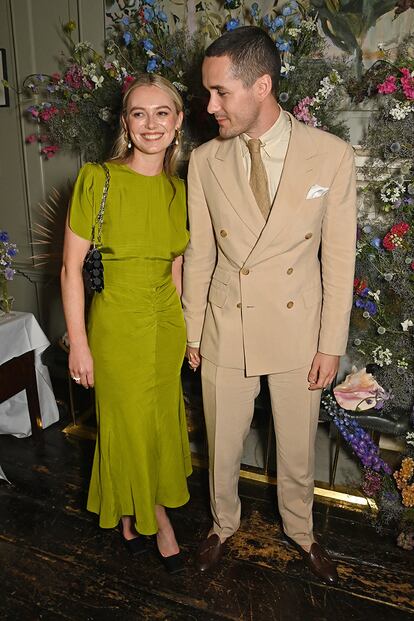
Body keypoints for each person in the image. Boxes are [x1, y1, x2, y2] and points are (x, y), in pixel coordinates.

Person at [182, 26, 356, 584]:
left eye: (219, 93)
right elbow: (201, 254)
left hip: (297, 327)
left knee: (297, 448)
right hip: (225, 324)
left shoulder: (330, 156)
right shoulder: (205, 161)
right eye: (207, 93)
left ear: (261, 86)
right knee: (222, 440)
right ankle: (222, 524)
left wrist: (331, 344)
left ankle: (301, 532)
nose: (209, 107)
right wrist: (192, 332)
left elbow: (339, 260)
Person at [61, 74, 192, 574]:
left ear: (178, 121)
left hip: (164, 324)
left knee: (157, 422)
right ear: (125, 122)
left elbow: (176, 264)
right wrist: (79, 343)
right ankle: (156, 517)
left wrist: (183, 328)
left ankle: (134, 516)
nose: (151, 124)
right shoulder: (99, 178)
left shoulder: (179, 190)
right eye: (139, 113)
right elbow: (71, 267)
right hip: (115, 318)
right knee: (125, 422)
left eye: (163, 112)